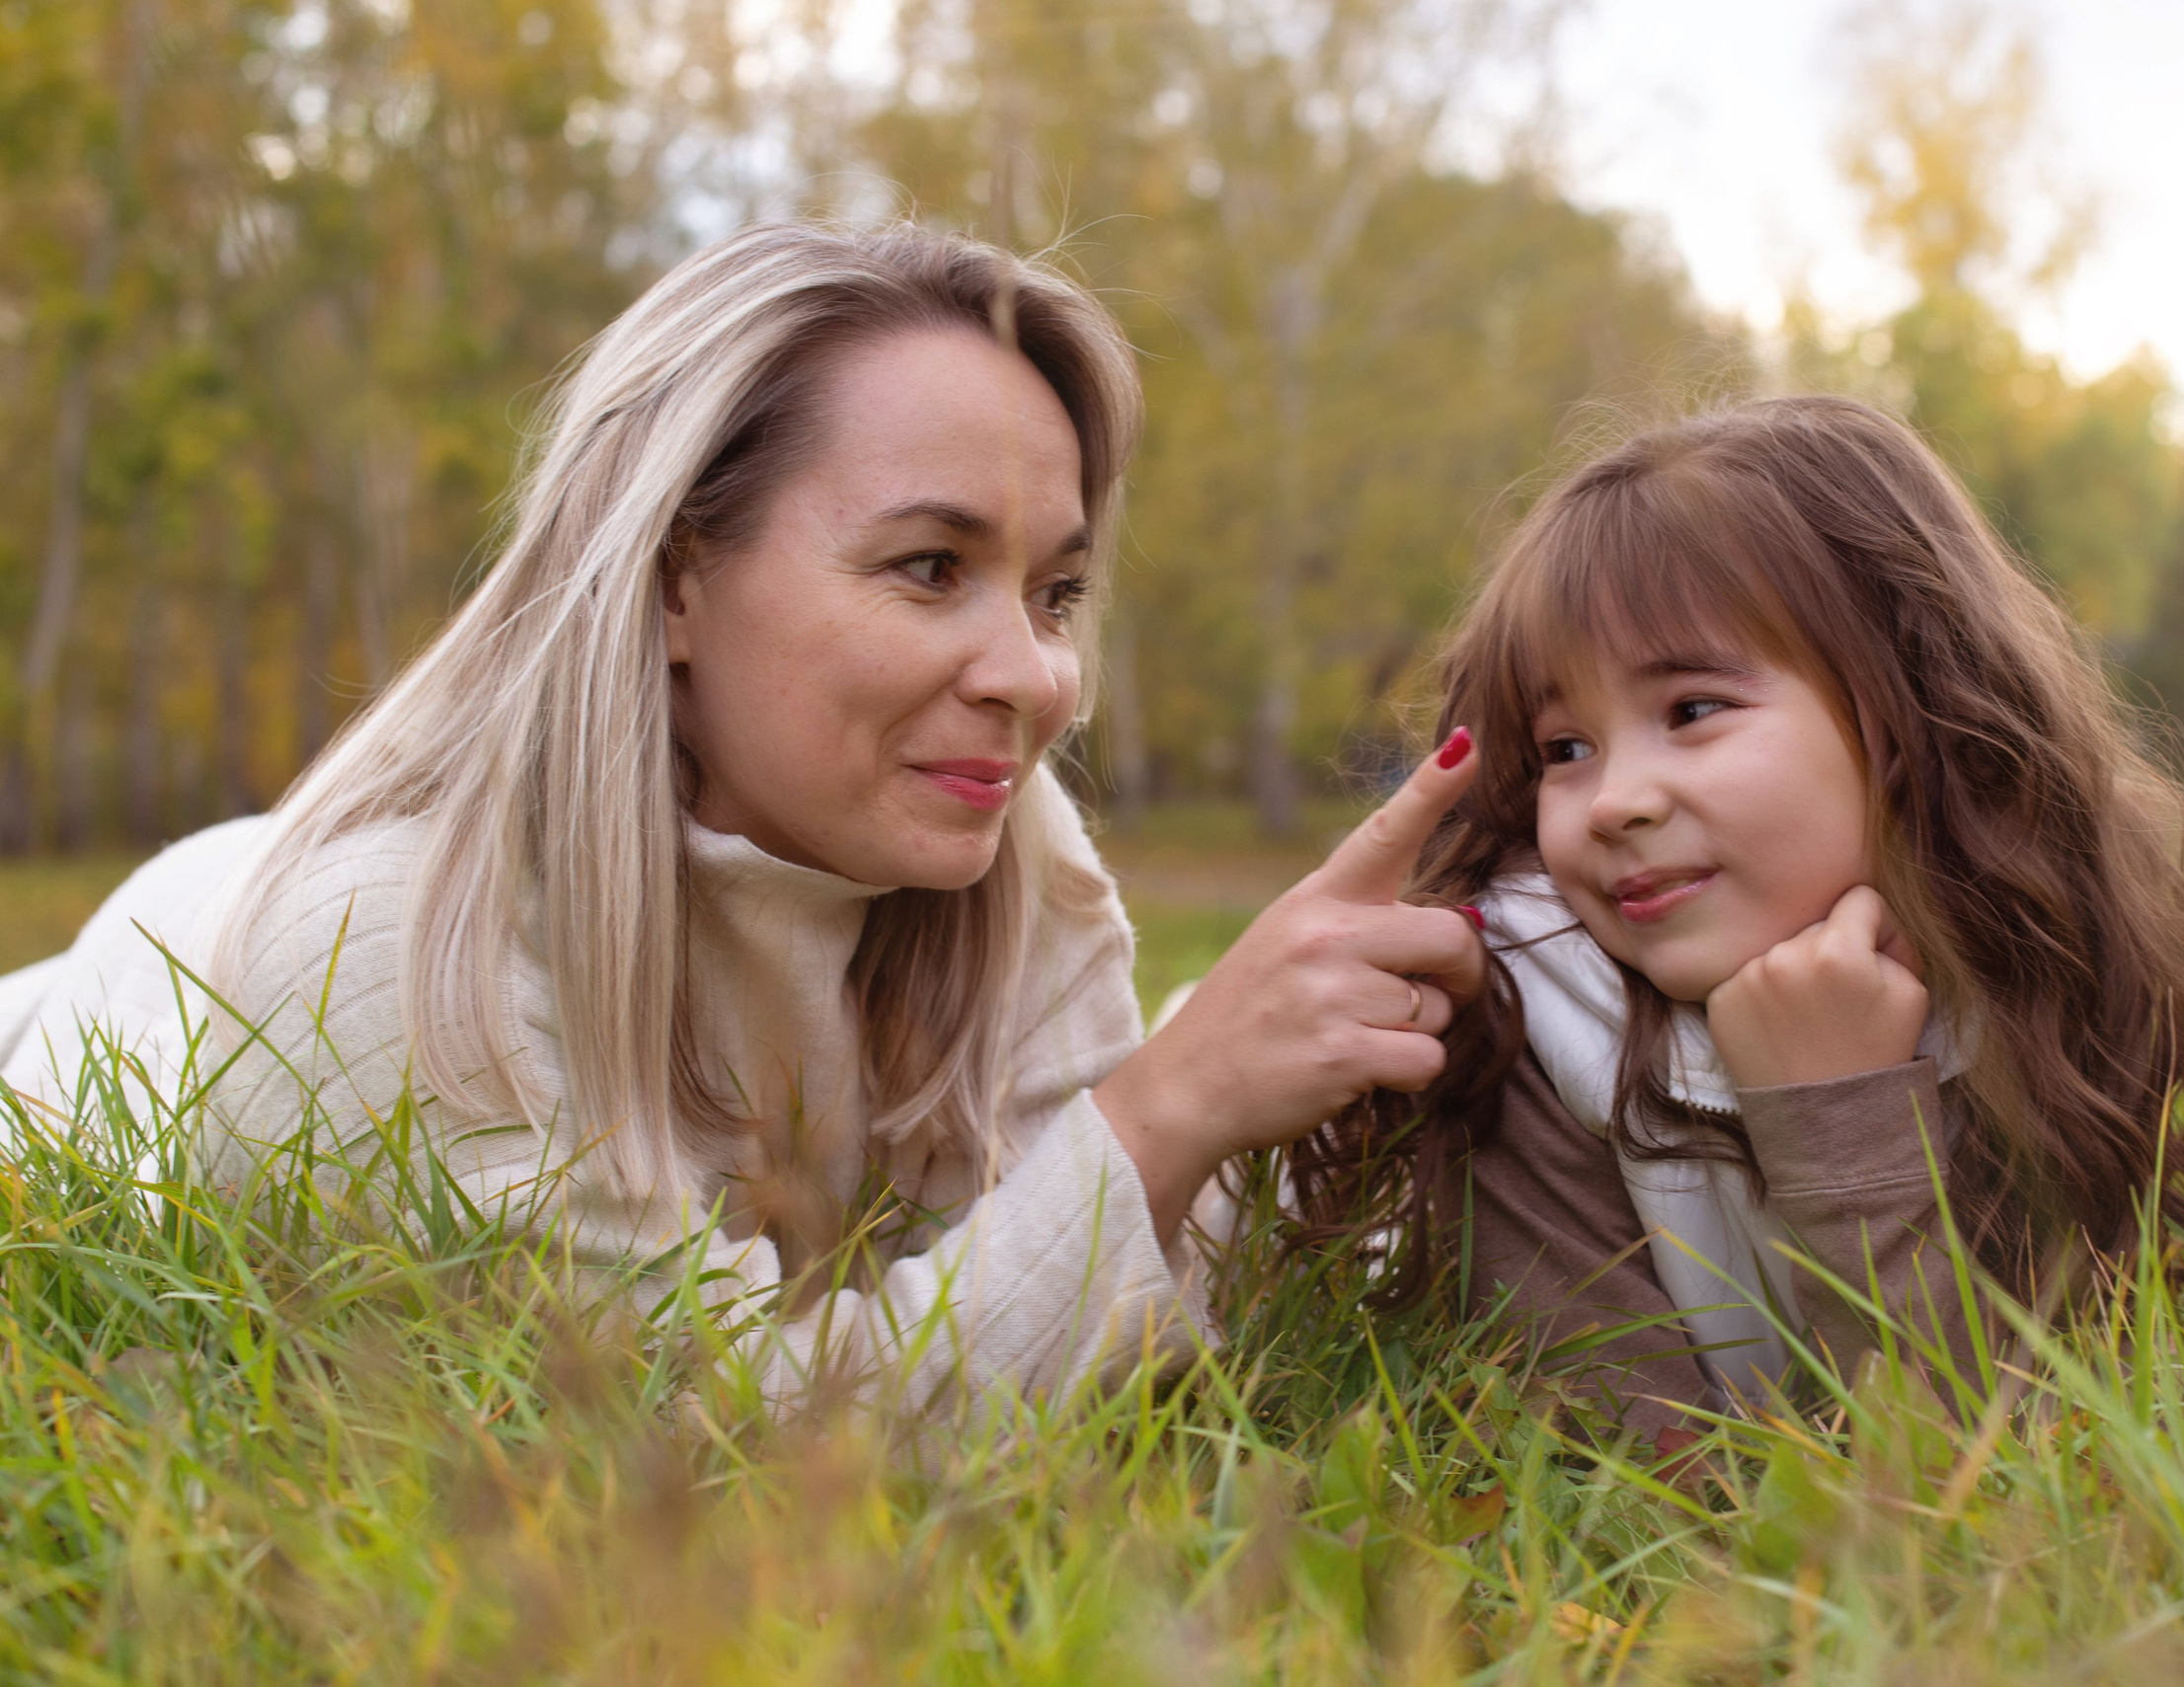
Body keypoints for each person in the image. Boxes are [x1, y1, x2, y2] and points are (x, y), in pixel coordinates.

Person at [0, 221, 1486, 1415]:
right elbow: (706, 1451)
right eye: (926, 568)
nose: (1037, 678)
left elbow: (1112, 1299)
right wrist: (1173, 1106)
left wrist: (1312, 1097)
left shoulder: (995, 833)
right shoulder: (376, 953)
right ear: (672, 576)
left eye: (1057, 593)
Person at [1297, 395, 2184, 1434]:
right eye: (1563, 748)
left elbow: (2030, 1445)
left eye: (1692, 710)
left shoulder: (2046, 980)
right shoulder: (1519, 1019)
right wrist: (1841, 1124)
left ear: (1909, 704)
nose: (1616, 797)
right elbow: (1636, 1478)